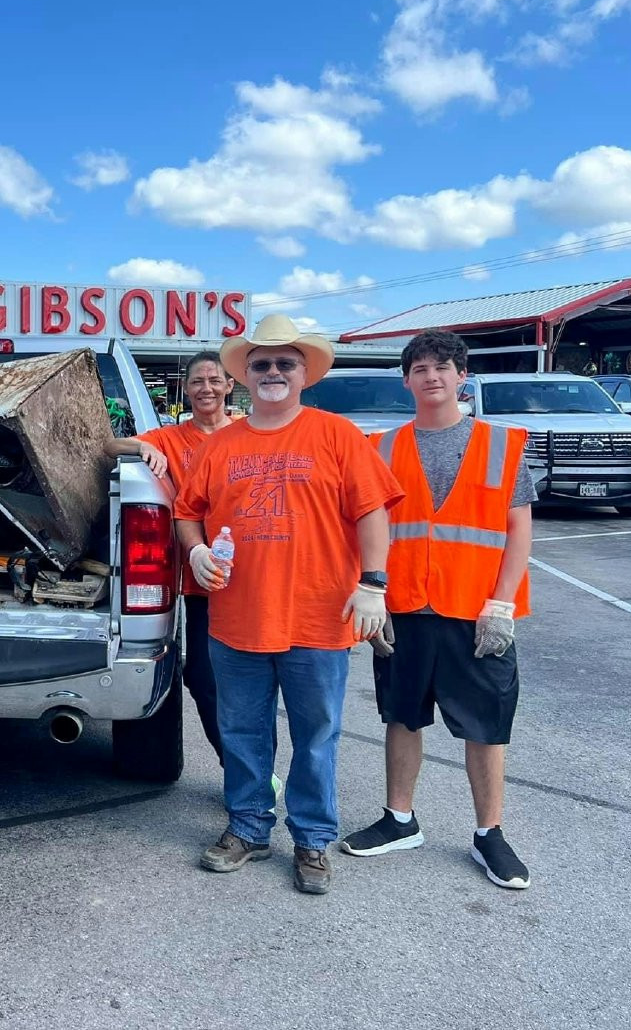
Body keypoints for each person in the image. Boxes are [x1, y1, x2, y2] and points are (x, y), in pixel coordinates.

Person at [174, 314, 403, 895]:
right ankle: (248, 828)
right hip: (237, 620)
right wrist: (196, 551)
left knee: (316, 737)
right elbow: (187, 510)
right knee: (242, 733)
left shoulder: (337, 435)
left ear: (304, 374)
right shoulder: (219, 444)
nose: (272, 371)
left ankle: (312, 839)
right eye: (261, 364)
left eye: (284, 363)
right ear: (243, 377)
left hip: (318, 617)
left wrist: (373, 584)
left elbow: (373, 510)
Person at [340, 330, 535, 890]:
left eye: (442, 367)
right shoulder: (380, 448)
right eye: (420, 368)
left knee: (487, 725)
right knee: (401, 715)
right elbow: (365, 528)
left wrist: (501, 602)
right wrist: (369, 594)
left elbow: (518, 530)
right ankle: (399, 819)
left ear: (461, 376)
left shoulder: (502, 444)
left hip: (476, 610)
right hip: (402, 606)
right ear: (406, 380)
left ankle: (489, 834)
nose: (432, 376)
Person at [105, 350, 235, 763]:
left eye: (215, 380)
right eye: (197, 381)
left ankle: (254, 768)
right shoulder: (171, 438)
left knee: (257, 679)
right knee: (202, 675)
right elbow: (108, 445)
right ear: (186, 388)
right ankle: (238, 768)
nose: (206, 388)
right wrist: (142, 449)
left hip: (254, 578)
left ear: (230, 386)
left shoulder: (250, 434)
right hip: (201, 581)